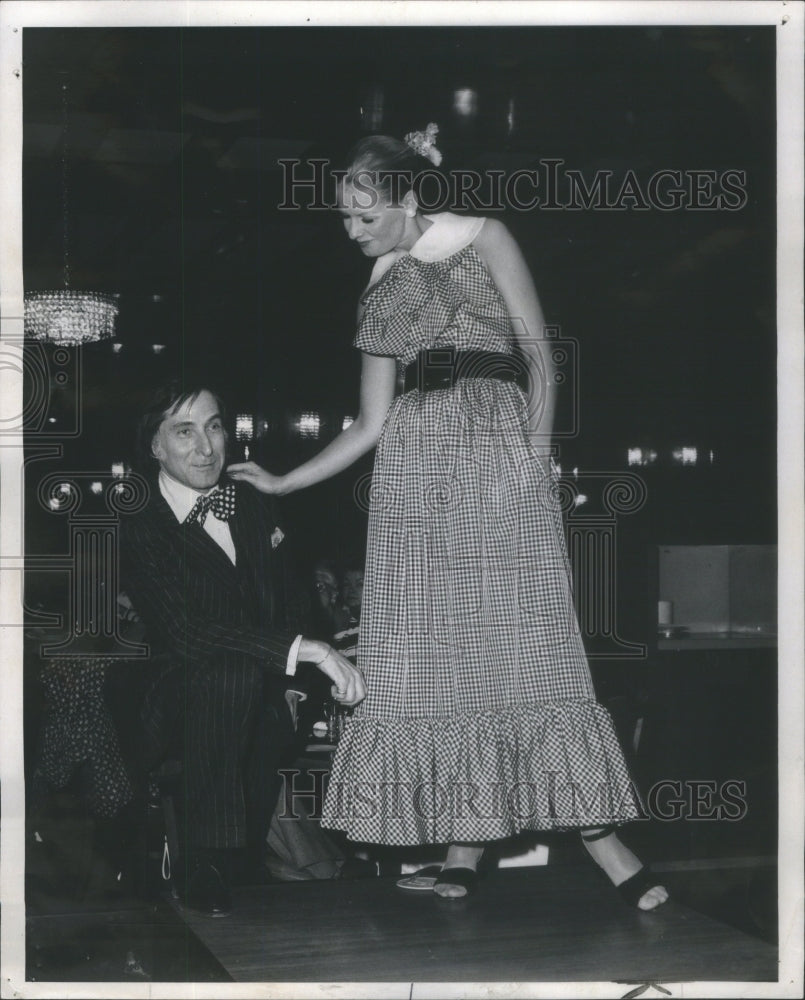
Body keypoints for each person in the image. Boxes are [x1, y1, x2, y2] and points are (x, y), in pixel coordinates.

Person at [228, 128, 668, 909]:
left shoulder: (487, 236)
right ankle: (464, 842)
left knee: (527, 640)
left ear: (403, 198)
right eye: (344, 218)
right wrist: (285, 481)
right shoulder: (380, 286)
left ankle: (605, 845)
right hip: (414, 470)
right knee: (439, 653)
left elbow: (539, 355)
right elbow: (366, 424)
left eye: (362, 215)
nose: (351, 230)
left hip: (500, 447)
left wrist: (533, 460)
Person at [120, 380, 365, 917]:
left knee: (255, 697)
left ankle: (249, 858)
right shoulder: (139, 521)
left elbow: (294, 601)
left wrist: (295, 680)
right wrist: (310, 651)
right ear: (155, 447)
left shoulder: (254, 500)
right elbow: (186, 632)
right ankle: (209, 859)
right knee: (230, 677)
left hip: (259, 689)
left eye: (213, 427)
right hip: (168, 698)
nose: (205, 447)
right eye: (184, 432)